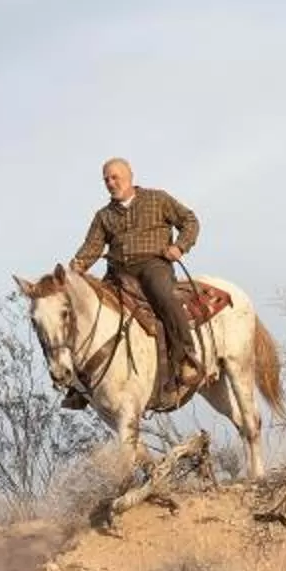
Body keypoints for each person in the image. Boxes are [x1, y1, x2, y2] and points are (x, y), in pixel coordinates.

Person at [71, 158, 204, 408]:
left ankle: (186, 358)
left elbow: (190, 221)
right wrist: (75, 269)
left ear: (129, 175)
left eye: (115, 177)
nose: (110, 183)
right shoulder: (103, 216)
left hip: (153, 264)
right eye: (106, 179)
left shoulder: (157, 199)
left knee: (164, 295)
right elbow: (91, 248)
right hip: (117, 273)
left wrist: (180, 246)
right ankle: (79, 383)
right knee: (87, 309)